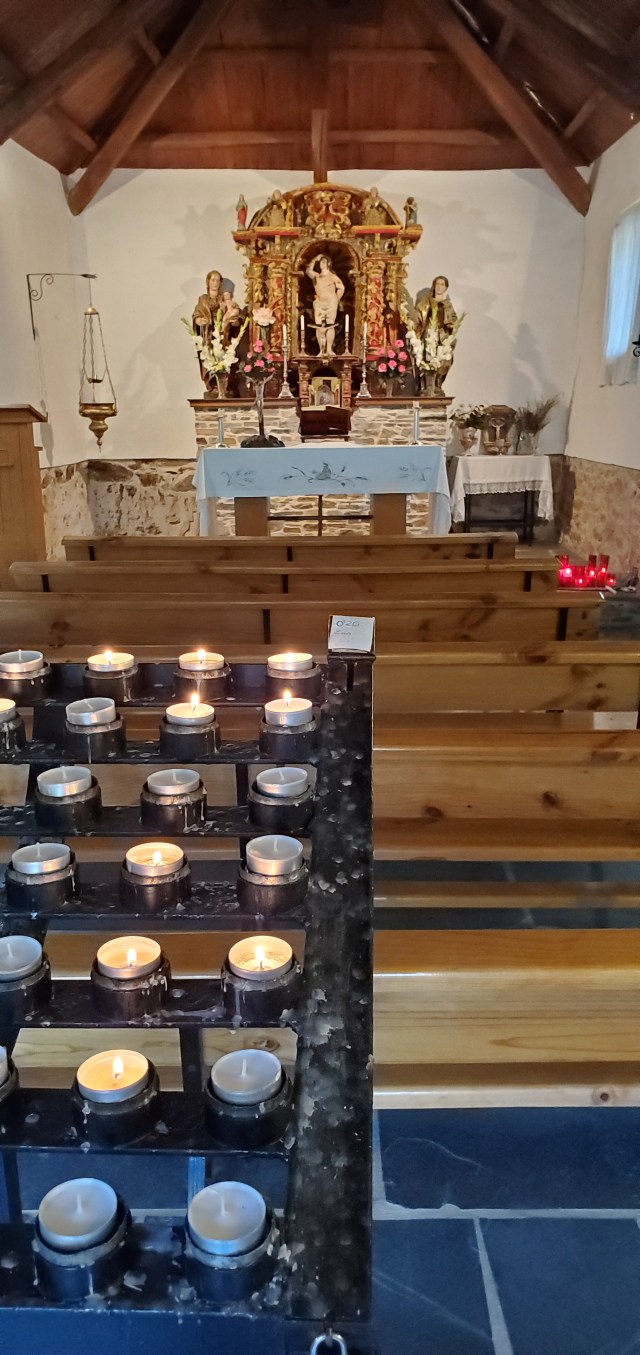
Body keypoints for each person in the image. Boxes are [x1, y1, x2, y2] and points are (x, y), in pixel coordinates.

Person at [305, 254, 345, 357]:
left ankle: (329, 349)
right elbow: (308, 271)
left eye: (323, 262)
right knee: (319, 327)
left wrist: (336, 299)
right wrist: (315, 259)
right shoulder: (317, 276)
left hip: (331, 303)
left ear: (328, 263)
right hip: (319, 303)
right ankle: (321, 350)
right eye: (320, 262)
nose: (321, 264)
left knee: (330, 325)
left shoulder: (332, 277)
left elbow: (341, 288)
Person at [192, 269, 222, 337]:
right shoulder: (203, 299)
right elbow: (196, 314)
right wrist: (198, 320)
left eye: (218, 280)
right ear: (208, 282)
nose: (215, 283)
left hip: (220, 331)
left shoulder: (223, 299)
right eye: (213, 280)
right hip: (207, 330)